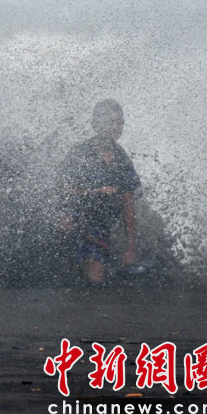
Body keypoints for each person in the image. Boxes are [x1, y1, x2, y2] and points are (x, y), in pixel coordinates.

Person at [58, 100, 140, 285]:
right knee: (65, 222)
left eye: (120, 122)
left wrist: (131, 247)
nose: (116, 127)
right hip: (76, 217)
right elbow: (61, 191)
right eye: (110, 122)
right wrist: (94, 192)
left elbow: (128, 204)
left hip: (99, 225)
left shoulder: (122, 159)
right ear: (96, 125)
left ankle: (92, 265)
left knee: (96, 279)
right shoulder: (79, 154)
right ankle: (65, 263)